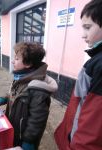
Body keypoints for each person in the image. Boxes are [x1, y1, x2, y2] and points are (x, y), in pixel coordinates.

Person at [0, 42, 58, 150]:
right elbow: (16, 94)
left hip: (24, 138)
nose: (12, 61)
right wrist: (4, 99)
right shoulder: (22, 77)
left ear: (28, 63)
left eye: (16, 59)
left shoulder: (37, 89)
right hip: (15, 130)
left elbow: (37, 120)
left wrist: (29, 141)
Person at [54, 0, 102, 149]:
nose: (83, 35)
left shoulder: (99, 65)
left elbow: (93, 122)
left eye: (88, 28)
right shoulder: (96, 60)